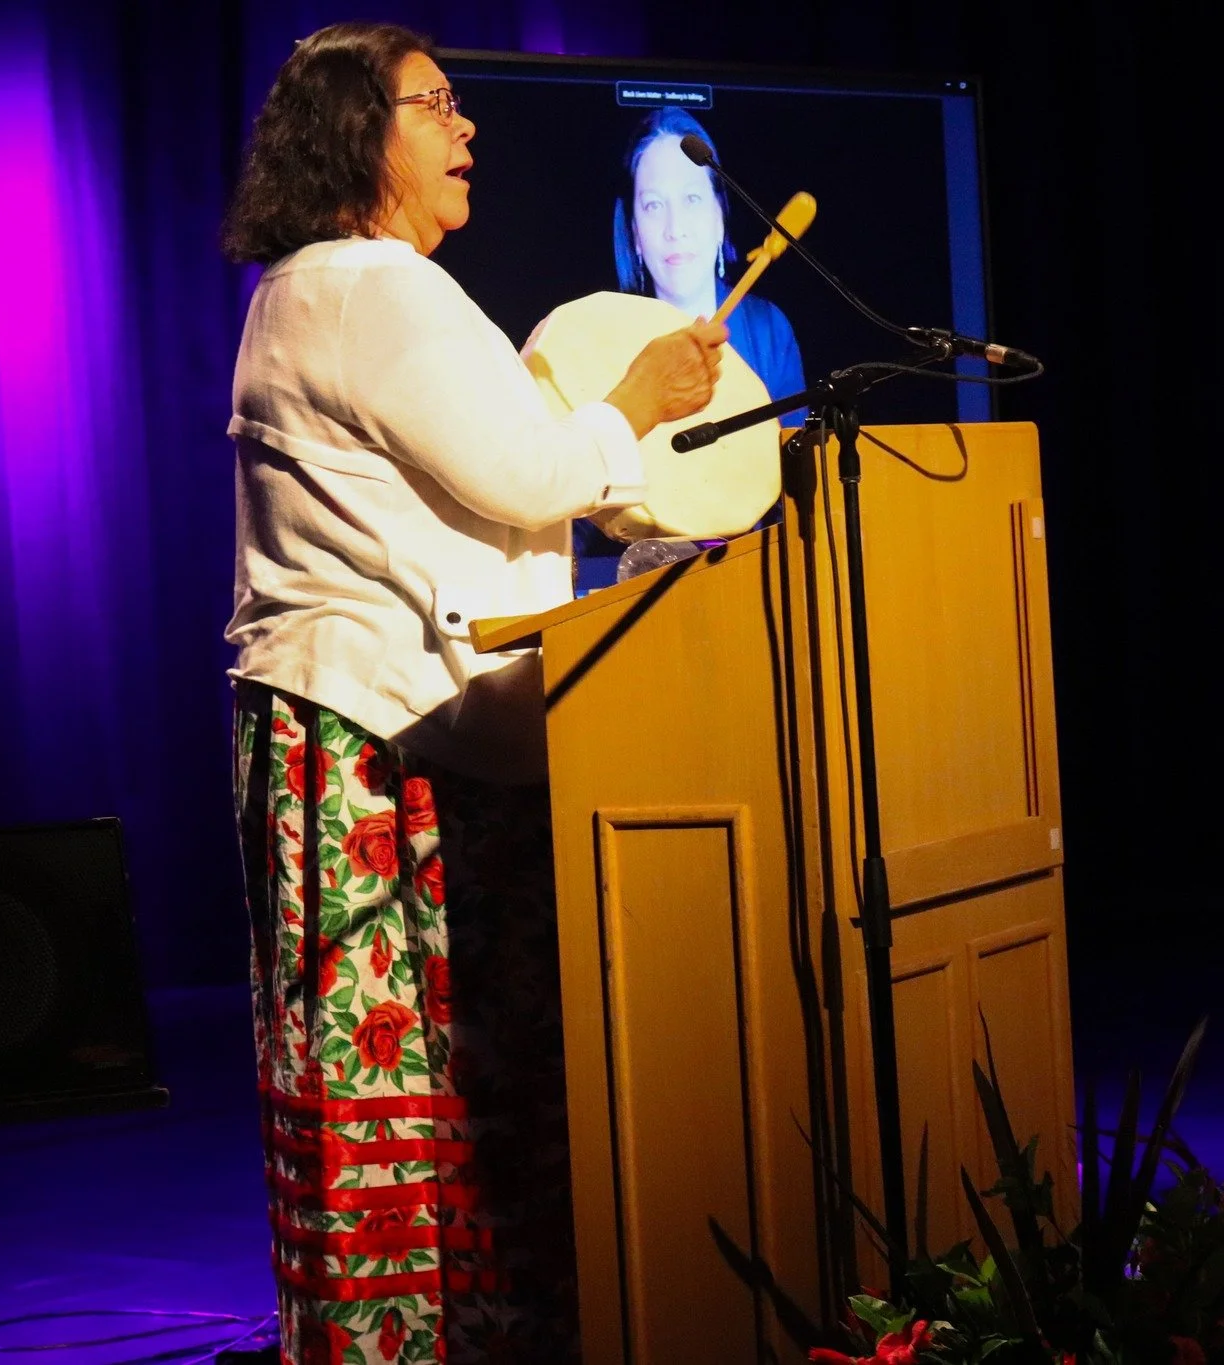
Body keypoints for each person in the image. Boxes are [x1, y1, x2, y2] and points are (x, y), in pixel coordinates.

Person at [219, 22, 726, 1363]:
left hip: (405, 735)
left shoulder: (332, 287)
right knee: (407, 1084)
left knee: (445, 1087)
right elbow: (522, 475)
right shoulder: (364, 286)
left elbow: (495, 483)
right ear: (353, 135)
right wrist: (634, 402)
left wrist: (640, 475)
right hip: (381, 744)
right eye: (434, 105)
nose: (467, 129)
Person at [573, 108, 804, 591]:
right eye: (654, 205)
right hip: (622, 588)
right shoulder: (595, 331)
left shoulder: (766, 330)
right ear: (633, 230)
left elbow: (796, 482)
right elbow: (570, 494)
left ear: (721, 216)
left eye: (693, 199)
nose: (675, 227)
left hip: (749, 577)